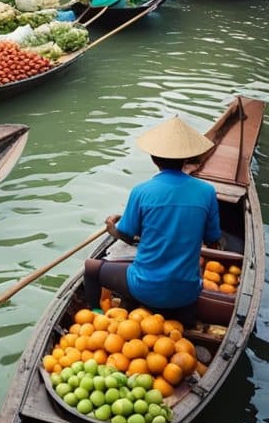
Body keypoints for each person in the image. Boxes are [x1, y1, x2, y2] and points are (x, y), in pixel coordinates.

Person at [83, 115, 222, 324]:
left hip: (145, 286)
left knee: (90, 268)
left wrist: (112, 228)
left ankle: (95, 315)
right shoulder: (207, 191)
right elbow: (213, 239)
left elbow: (129, 237)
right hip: (187, 291)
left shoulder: (141, 191)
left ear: (153, 159)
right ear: (186, 159)